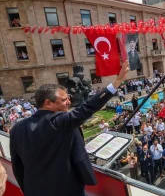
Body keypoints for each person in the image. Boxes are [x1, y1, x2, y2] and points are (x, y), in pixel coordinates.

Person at [10, 61, 129, 196]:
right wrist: (116, 83)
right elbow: (87, 108)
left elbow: (17, 167)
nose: (69, 102)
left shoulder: (16, 129)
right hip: (66, 189)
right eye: (64, 99)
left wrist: (26, 189)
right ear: (48, 103)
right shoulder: (58, 122)